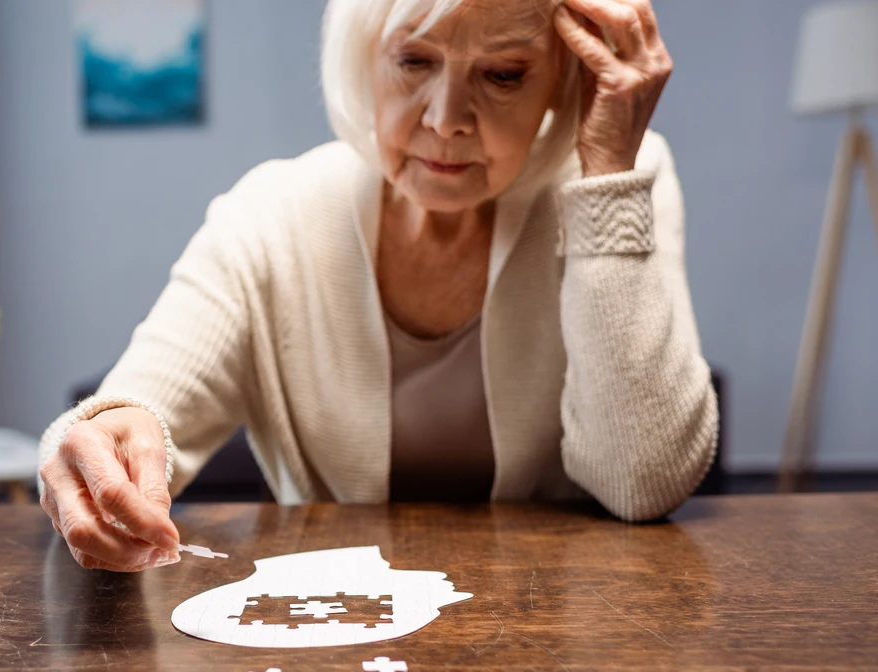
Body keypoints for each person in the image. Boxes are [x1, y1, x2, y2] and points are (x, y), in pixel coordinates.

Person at [37, 0, 717, 572]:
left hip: (561, 635)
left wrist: (607, 180)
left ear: (564, 80)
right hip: (332, 644)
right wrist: (96, 444)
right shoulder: (273, 213)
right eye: (414, 61)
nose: (447, 118)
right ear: (363, 57)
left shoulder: (619, 176)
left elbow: (643, 484)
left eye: (505, 74)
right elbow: (133, 409)